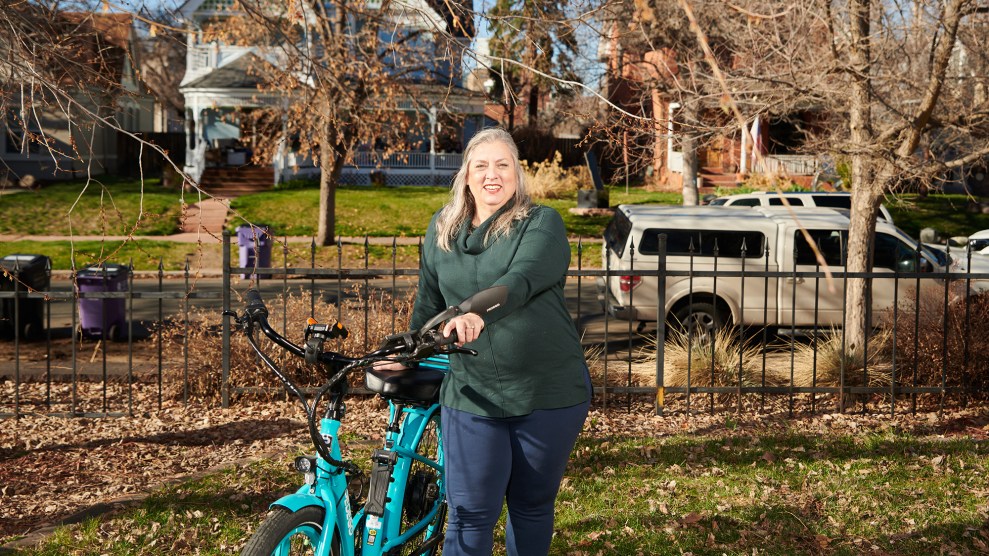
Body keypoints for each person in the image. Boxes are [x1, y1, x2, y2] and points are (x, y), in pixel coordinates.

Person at [385, 127, 590, 555]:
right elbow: (426, 305)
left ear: (517, 172)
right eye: (481, 165)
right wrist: (403, 356)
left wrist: (474, 310)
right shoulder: (441, 230)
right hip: (472, 393)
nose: (491, 175)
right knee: (469, 513)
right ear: (466, 175)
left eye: (503, 165)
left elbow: (521, 280)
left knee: (530, 505)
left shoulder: (541, 223)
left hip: (546, 392)